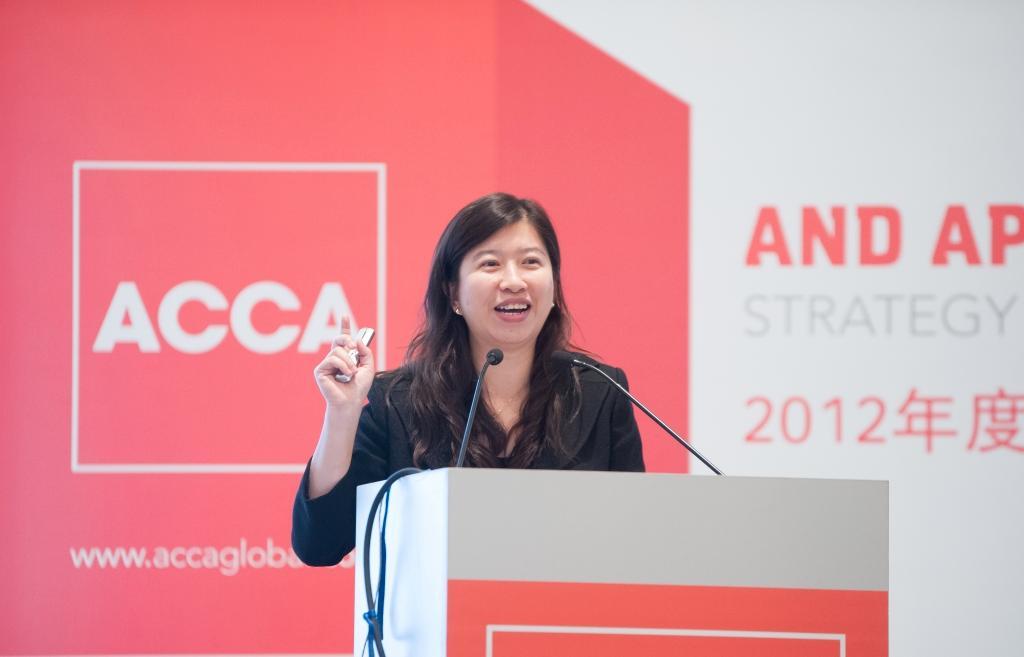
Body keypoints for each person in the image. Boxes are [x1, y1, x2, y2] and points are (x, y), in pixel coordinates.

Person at [292, 193, 644, 566]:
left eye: (530, 262)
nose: (514, 281)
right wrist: (342, 414)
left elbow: (635, 538)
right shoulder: (399, 402)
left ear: (554, 286)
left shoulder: (600, 393)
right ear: (453, 292)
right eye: (490, 264)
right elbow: (319, 545)